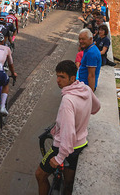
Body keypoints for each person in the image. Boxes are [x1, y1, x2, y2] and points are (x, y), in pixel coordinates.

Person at [35, 60, 101, 195]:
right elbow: (96, 107)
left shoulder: (67, 100)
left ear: (72, 78)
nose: (58, 80)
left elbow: (68, 133)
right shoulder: (86, 89)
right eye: (57, 76)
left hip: (63, 147)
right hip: (80, 145)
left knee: (40, 175)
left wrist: (59, 158)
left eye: (62, 77)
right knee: (68, 184)